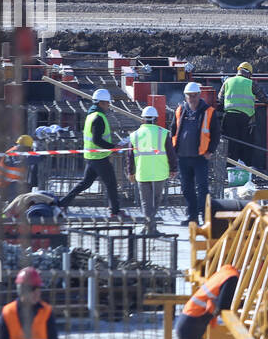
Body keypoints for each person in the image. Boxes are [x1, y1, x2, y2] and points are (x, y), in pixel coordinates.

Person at [60, 89, 128, 218]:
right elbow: (97, 140)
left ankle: (62, 203)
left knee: (85, 183)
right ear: (101, 103)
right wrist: (113, 147)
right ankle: (115, 211)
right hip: (99, 157)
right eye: (107, 103)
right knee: (111, 183)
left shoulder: (91, 115)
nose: (109, 105)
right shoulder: (98, 118)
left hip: (92, 156)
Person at [172, 80, 220, 226]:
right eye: (189, 96)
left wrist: (210, 150)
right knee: (187, 188)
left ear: (199, 95)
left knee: (202, 188)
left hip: (200, 157)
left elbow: (216, 133)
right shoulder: (180, 110)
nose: (192, 98)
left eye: (194, 95)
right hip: (183, 157)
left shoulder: (209, 112)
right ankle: (192, 217)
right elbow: (173, 130)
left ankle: (205, 218)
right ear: (185, 96)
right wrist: (174, 151)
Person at [218, 61, 268, 175]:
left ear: (238, 70)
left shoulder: (227, 81)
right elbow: (264, 98)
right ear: (249, 73)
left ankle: (229, 172)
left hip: (228, 117)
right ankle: (245, 170)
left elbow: (220, 99)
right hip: (245, 119)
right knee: (245, 145)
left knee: (230, 145)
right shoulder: (251, 83)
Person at [128, 104, 176, 236]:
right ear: (156, 119)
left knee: (145, 202)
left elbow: (130, 156)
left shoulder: (135, 135)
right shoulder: (163, 133)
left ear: (143, 119)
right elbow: (170, 153)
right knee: (155, 201)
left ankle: (148, 226)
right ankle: (151, 227)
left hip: (142, 173)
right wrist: (173, 168)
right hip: (159, 174)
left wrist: (130, 172)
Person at [0, 134, 35, 208]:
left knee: (26, 187)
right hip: (1, 184)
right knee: (16, 186)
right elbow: (16, 163)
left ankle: (16, 207)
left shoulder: (22, 153)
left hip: (10, 184)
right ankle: (11, 208)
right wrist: (34, 159)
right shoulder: (12, 153)